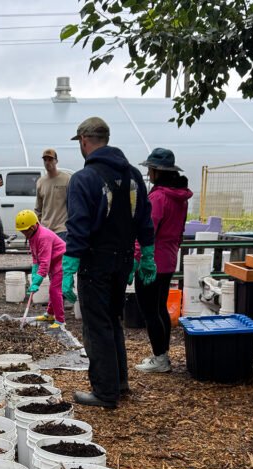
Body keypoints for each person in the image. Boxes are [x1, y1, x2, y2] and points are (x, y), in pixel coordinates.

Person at [63, 117, 155, 409]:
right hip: (123, 260)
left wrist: (69, 267)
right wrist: (147, 255)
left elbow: (79, 225)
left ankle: (105, 392)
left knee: (97, 325)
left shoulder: (84, 179)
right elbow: (144, 217)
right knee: (113, 320)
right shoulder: (132, 176)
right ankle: (120, 382)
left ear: (84, 141)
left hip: (95, 262)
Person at [134, 148, 193, 374]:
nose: (148, 173)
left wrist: (138, 258)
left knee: (149, 310)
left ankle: (160, 359)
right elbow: (180, 230)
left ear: (158, 171)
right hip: (169, 259)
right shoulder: (180, 197)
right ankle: (162, 354)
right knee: (159, 308)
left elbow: (147, 230)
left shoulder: (158, 197)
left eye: (150, 169)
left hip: (152, 262)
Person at [15, 210, 65, 329]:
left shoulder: (43, 237)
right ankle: (50, 314)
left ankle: (60, 320)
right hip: (53, 262)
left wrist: (37, 281)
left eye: (24, 230)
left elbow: (45, 263)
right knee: (52, 289)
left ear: (32, 227)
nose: (22, 233)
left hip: (61, 261)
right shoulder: (32, 235)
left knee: (54, 290)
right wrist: (34, 273)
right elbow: (35, 257)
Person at [35, 148, 71, 242]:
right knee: (47, 257)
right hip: (46, 230)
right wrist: (39, 227)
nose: (47, 162)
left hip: (62, 229)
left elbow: (73, 204)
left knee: (61, 256)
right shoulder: (40, 182)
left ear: (56, 161)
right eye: (45, 160)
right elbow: (38, 209)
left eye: (50, 159)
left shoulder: (67, 179)